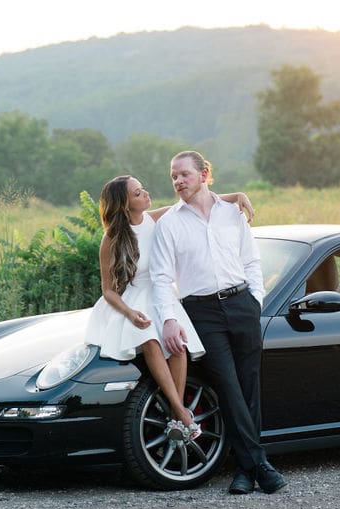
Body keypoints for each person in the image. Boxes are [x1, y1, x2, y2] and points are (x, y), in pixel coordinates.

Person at [151, 149, 285, 495]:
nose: (178, 181)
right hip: (201, 313)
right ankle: (261, 465)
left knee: (249, 386)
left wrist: (255, 301)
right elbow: (161, 278)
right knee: (228, 387)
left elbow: (251, 261)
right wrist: (168, 319)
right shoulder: (169, 223)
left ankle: (245, 469)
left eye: (184, 174)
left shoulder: (233, 214)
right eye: (173, 176)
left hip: (242, 304)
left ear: (204, 174)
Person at [83, 174, 253, 442]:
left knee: (178, 345)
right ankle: (182, 413)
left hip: (161, 293)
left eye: (143, 188)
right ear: (125, 204)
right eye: (138, 193)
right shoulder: (112, 238)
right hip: (134, 298)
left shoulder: (154, 218)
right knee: (150, 341)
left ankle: (176, 410)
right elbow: (108, 290)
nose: (146, 193)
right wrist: (129, 312)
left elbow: (194, 201)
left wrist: (236, 197)